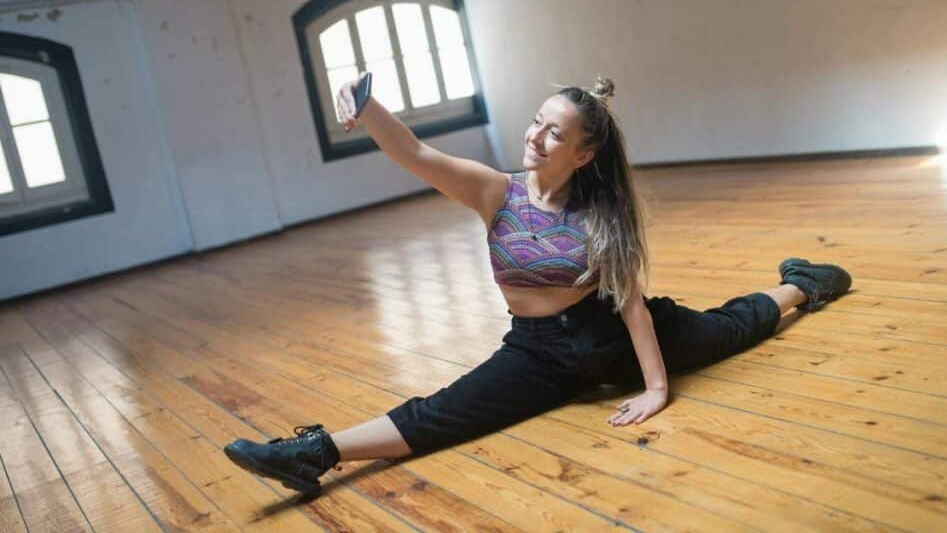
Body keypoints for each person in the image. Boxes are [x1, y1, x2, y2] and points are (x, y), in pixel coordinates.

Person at [223, 73, 852, 497]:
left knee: (727, 330)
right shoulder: (495, 191)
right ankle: (313, 453)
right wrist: (365, 107)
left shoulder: (604, 213)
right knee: (443, 413)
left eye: (554, 132)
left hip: (610, 335)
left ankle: (800, 284)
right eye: (535, 122)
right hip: (538, 351)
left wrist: (658, 388)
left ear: (583, 154)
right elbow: (417, 154)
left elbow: (632, 306)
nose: (535, 136)